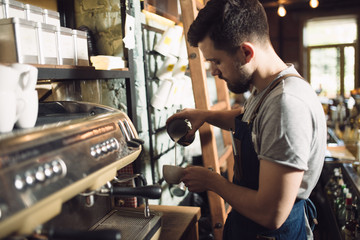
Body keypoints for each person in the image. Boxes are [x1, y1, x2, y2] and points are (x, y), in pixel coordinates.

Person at [166, 0, 327, 239]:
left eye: (216, 61)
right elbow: (248, 121)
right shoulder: (267, 89)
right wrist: (205, 115)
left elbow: (271, 213)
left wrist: (212, 181)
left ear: (246, 52)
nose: (213, 71)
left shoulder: (286, 105)